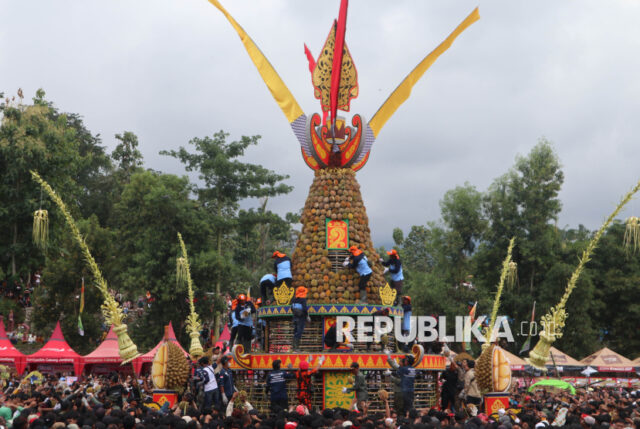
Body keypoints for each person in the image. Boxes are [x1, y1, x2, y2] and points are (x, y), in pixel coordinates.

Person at [385, 351, 416, 417]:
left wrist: (390, 375)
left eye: (402, 361)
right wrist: (389, 357)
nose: (400, 362)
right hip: (410, 392)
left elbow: (397, 370)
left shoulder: (404, 369)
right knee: (408, 409)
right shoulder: (412, 369)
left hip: (403, 392)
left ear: (406, 362)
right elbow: (396, 366)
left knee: (401, 410)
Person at [291, 286, 309, 352]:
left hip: (295, 318)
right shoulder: (303, 300)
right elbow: (304, 309)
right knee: (299, 332)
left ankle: (294, 348)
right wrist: (307, 316)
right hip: (301, 318)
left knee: (295, 332)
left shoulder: (294, 299)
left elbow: (292, 308)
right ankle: (296, 348)